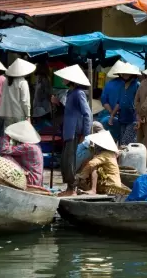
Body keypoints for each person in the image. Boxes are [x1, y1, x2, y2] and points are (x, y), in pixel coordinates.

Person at [52, 64, 92, 197]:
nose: (63, 79)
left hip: (75, 131)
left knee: (70, 161)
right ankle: (69, 188)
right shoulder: (70, 93)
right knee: (65, 160)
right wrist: (57, 103)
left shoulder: (79, 93)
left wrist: (86, 134)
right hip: (68, 132)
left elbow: (87, 113)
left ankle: (72, 189)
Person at [76, 130, 121, 195]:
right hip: (112, 185)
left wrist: (81, 176)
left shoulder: (105, 154)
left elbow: (91, 164)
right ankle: (90, 188)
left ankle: (93, 190)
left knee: (93, 166)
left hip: (111, 187)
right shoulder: (110, 153)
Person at [0, 120, 43, 186]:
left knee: (6, 157)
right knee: (13, 157)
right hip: (37, 179)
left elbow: (4, 150)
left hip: (32, 180)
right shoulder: (35, 146)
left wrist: (7, 136)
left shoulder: (27, 147)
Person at [108, 61, 141, 146]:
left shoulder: (137, 85)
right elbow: (118, 103)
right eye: (123, 74)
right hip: (122, 117)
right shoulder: (122, 86)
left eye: (126, 73)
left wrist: (139, 119)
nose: (124, 75)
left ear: (132, 74)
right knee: (122, 141)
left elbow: (140, 102)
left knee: (127, 143)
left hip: (133, 118)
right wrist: (112, 116)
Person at [0, 58, 36, 128]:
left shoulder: (6, 81)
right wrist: (28, 115)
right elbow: (25, 101)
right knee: (19, 137)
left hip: (7, 113)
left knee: (8, 137)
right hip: (19, 114)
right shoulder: (23, 82)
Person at [100, 61, 126, 141]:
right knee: (123, 144)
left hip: (108, 118)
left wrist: (111, 112)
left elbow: (104, 101)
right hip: (124, 118)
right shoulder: (129, 85)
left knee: (109, 142)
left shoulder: (109, 84)